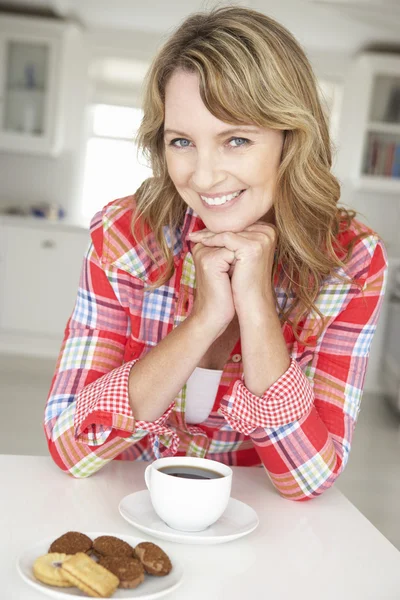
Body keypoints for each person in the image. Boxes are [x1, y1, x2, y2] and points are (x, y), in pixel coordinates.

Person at [44, 5, 387, 500]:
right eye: (182, 141)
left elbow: (307, 480)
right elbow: (69, 444)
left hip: (259, 534)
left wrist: (257, 310)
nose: (203, 178)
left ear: (291, 138)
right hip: (126, 511)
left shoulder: (351, 263)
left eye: (236, 140)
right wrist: (203, 320)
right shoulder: (125, 235)